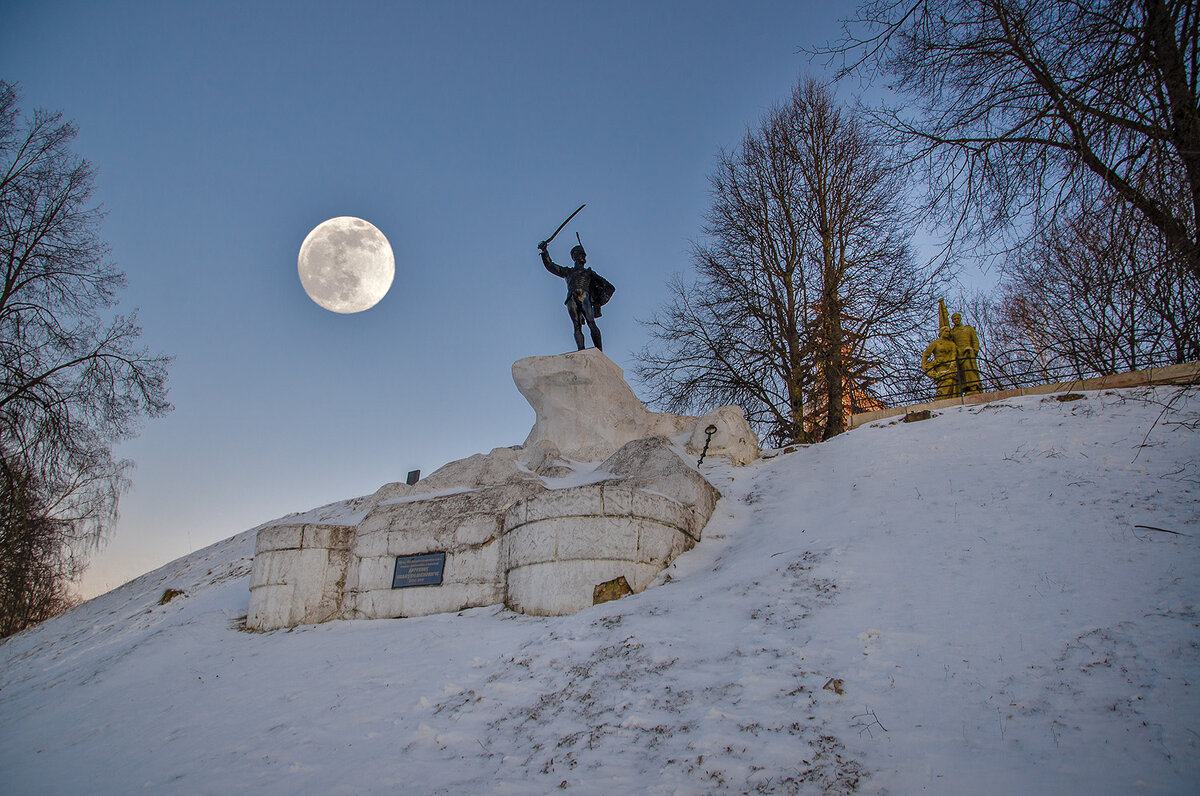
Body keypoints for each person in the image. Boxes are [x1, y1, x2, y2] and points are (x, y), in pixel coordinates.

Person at [537, 240, 614, 351]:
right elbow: (551, 266)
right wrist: (545, 252)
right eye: (580, 254)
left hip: (585, 296)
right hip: (571, 297)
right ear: (574, 257)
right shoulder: (568, 272)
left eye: (584, 255)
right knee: (577, 326)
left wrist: (599, 301)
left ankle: (599, 351)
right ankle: (581, 351)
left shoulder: (589, 272)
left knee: (591, 322)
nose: (583, 257)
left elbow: (609, 287)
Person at [948, 313, 982, 394]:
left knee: (970, 370)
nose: (956, 320)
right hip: (959, 354)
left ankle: (974, 386)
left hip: (969, 353)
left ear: (960, 318)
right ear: (952, 321)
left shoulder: (968, 329)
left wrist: (975, 350)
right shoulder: (952, 332)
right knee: (963, 372)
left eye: (957, 318)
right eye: (955, 319)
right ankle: (966, 388)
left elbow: (974, 340)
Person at [922, 327, 960, 398]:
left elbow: (954, 355)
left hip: (951, 367)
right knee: (946, 383)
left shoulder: (952, 344)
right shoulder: (935, 343)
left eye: (949, 332)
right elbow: (926, 355)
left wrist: (952, 365)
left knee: (954, 387)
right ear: (941, 332)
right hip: (940, 367)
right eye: (946, 331)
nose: (947, 333)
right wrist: (925, 367)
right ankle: (940, 399)